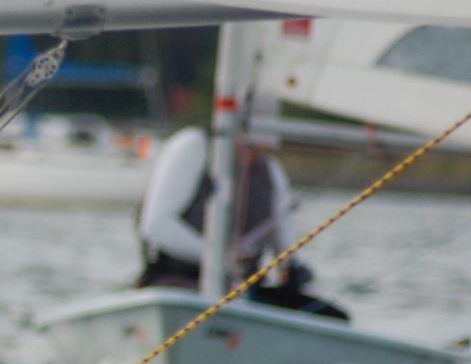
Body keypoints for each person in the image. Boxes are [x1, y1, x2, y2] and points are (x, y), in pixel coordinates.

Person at [133, 126, 348, 320]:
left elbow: (286, 251)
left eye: (260, 148)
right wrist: (221, 257)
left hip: (243, 291)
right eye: (250, 146)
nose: (254, 154)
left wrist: (294, 270)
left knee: (332, 317)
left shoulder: (270, 170)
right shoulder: (194, 146)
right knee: (211, 304)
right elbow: (156, 225)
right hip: (178, 280)